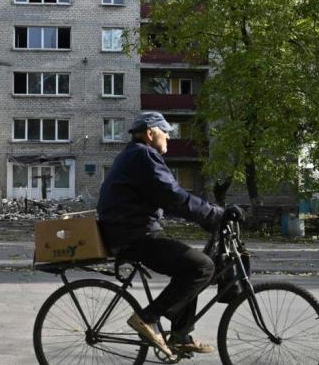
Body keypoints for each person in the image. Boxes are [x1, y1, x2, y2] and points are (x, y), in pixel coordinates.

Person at [97, 112, 228, 357]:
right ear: (150, 133)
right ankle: (148, 317)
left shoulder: (135, 155)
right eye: (165, 131)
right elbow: (172, 195)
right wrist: (214, 216)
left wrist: (207, 216)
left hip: (129, 232)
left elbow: (168, 198)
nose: (169, 135)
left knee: (193, 266)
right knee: (201, 268)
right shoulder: (143, 155)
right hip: (134, 236)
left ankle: (180, 335)